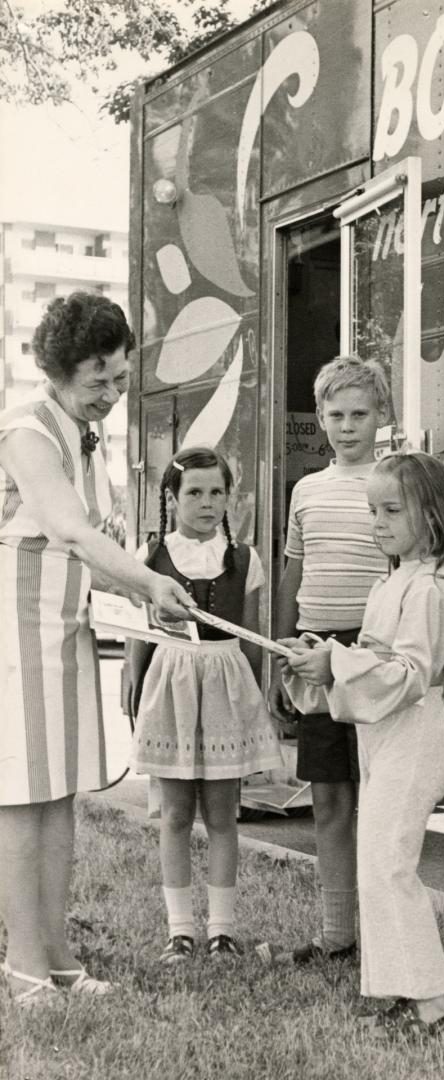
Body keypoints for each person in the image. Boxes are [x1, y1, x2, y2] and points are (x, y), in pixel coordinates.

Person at [0, 292, 193, 1008]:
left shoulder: (84, 432)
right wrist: (150, 582)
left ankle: (57, 958)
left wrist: (135, 592)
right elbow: (73, 533)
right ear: (56, 371)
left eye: (119, 379)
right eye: (97, 382)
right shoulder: (26, 431)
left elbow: (99, 535)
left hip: (64, 628)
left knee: (57, 798)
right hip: (14, 637)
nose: (111, 395)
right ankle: (22, 967)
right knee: (21, 799)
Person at [284, 451, 444, 1036]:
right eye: (373, 510)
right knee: (376, 868)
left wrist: (336, 662)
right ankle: (400, 992)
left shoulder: (434, 588)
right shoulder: (391, 582)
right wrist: (321, 664)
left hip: (414, 743)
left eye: (392, 510)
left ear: (434, 518)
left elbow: (411, 676)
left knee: (390, 869)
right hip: (383, 741)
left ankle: (436, 1003)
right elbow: (371, 663)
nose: (378, 522)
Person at [128, 446, 283, 963]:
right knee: (175, 813)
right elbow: (139, 632)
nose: (207, 502)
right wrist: (133, 677)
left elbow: (255, 635)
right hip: (172, 681)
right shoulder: (152, 556)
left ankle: (221, 931)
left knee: (222, 814)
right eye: (194, 492)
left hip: (225, 683)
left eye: (217, 492)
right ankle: (180, 931)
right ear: (172, 498)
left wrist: (259, 698)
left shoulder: (245, 559)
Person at [267, 356, 389, 964]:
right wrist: (280, 650)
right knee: (329, 797)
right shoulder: (306, 490)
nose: (346, 427)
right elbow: (295, 571)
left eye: (359, 414)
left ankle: (386, 932)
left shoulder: (396, 486)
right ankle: (337, 932)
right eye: (335, 415)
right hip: (314, 653)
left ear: (382, 416)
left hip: (372, 654)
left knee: (380, 795)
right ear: (319, 419)